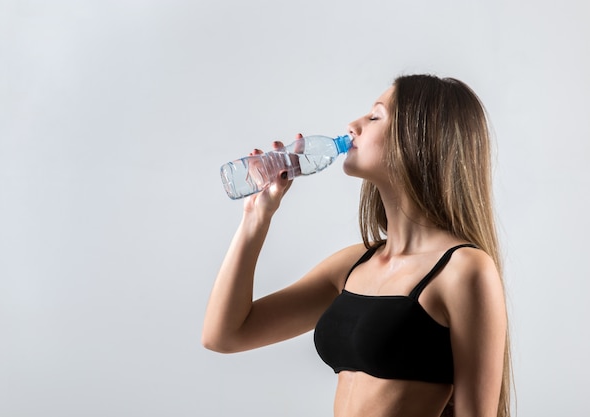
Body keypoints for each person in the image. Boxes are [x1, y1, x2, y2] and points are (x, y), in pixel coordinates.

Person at [202, 74, 511, 417]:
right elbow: (225, 335)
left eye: (375, 116)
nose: (353, 125)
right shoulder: (352, 265)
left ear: (419, 140)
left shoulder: (464, 270)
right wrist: (257, 218)